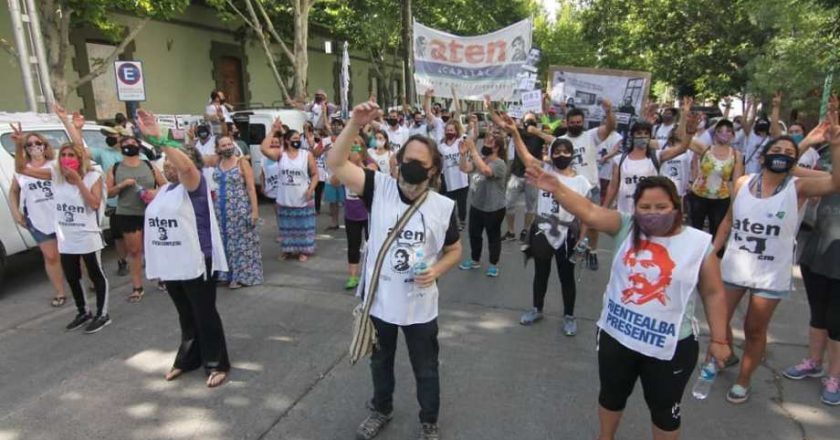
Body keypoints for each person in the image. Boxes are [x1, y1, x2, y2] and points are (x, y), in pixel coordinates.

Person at [527, 164, 731, 440]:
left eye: (661, 206)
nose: (653, 213)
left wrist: (719, 340)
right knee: (611, 397)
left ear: (676, 205)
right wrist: (557, 188)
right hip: (617, 338)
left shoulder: (699, 244)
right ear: (635, 208)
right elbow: (589, 212)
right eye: (645, 207)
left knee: (664, 412)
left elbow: (713, 293)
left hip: (669, 348)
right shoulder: (626, 226)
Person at [328, 101, 462, 440]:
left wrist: (437, 271)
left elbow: (455, 250)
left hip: (420, 306)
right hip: (381, 302)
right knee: (380, 363)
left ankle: (428, 421)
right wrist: (355, 125)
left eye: (420, 163)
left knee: (426, 369)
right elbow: (335, 163)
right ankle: (381, 409)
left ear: (433, 171)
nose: (410, 167)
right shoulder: (379, 188)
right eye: (406, 160)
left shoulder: (443, 208)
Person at [714, 116, 840, 404]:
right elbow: (727, 221)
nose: (781, 157)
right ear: (764, 155)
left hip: (769, 274)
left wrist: (835, 145)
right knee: (719, 321)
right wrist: (711, 252)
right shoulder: (743, 182)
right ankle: (722, 354)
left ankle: (743, 381)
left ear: (794, 162)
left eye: (788, 155)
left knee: (753, 329)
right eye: (776, 152)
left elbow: (835, 183)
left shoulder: (799, 188)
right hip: (733, 267)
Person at [135, 109, 231, 388]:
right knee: (186, 314)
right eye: (165, 163)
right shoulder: (166, 190)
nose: (168, 167)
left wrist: (161, 138)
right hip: (173, 265)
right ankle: (189, 358)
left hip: (197, 262)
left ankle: (216, 363)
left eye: (172, 162)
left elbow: (187, 168)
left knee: (204, 313)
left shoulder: (195, 183)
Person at [16, 105, 111, 334]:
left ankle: (102, 313)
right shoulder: (55, 175)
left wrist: (77, 180)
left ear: (79, 159)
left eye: (71, 155)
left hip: (87, 234)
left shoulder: (92, 176)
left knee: (95, 274)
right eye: (64, 155)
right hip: (65, 235)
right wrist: (20, 145)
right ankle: (83, 310)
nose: (67, 158)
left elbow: (95, 203)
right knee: (72, 275)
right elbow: (21, 169)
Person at [502, 114, 592, 336]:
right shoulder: (544, 172)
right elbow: (524, 156)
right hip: (542, 230)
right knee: (540, 273)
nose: (562, 155)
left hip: (567, 233)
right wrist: (515, 133)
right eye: (557, 151)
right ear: (551, 154)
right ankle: (536, 309)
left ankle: (569, 316)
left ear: (572, 155)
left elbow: (587, 214)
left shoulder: (581, 182)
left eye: (566, 151)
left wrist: (583, 238)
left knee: (566, 276)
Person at [603, 99, 699, 215]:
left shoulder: (657, 156)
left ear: (650, 136)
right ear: (632, 136)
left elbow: (682, 148)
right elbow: (613, 186)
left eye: (646, 134)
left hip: (650, 214)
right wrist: (604, 209)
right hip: (626, 213)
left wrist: (689, 133)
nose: (642, 137)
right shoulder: (619, 160)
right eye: (639, 134)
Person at [8, 124, 66, 307]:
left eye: (37, 143)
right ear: (25, 149)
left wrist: (18, 146)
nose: (34, 147)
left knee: (73, 255)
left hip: (63, 217)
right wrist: (16, 212)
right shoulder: (22, 171)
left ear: (45, 145)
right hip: (38, 219)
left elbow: (50, 177)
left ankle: (82, 284)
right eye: (29, 144)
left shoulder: (55, 166)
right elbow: (14, 192)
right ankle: (60, 292)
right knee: (50, 256)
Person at [106, 133, 166, 302]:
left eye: (133, 143)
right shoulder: (115, 168)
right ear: (120, 147)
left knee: (154, 248)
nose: (129, 145)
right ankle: (137, 286)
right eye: (126, 143)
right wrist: (121, 185)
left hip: (151, 213)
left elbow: (165, 186)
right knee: (134, 251)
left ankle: (161, 278)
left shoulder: (149, 165)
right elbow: (107, 192)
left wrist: (154, 192)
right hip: (127, 213)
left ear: (138, 147)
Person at [560, 99, 617, 270]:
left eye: (579, 122)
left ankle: (592, 251)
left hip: (591, 188)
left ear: (583, 122)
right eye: (572, 123)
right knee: (571, 223)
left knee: (592, 224)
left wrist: (608, 112)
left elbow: (609, 128)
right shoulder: (562, 140)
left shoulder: (591, 136)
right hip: (571, 190)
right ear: (567, 123)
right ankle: (576, 248)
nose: (576, 125)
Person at [486, 97, 546, 243]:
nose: (530, 124)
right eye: (528, 121)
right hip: (517, 174)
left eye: (533, 121)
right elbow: (500, 122)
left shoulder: (540, 136)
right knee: (508, 204)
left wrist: (544, 103)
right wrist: (489, 108)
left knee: (531, 207)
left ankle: (526, 230)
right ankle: (511, 231)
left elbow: (552, 129)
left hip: (533, 176)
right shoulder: (518, 132)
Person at [261, 119, 319, 261]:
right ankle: (288, 250)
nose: (297, 141)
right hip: (285, 197)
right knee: (286, 225)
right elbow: (263, 149)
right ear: (286, 141)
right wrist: (273, 131)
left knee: (303, 226)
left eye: (298, 139)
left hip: (302, 196)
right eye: (294, 139)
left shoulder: (307, 155)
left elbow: (315, 174)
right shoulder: (281, 154)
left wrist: (311, 188)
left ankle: (303, 251)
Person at [213, 135, 264, 288]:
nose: (228, 147)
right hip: (221, 210)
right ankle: (226, 274)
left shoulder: (242, 163)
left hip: (239, 209)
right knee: (224, 242)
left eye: (229, 144)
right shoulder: (217, 162)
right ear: (218, 149)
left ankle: (242, 276)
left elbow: (250, 188)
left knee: (241, 243)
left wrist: (254, 211)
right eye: (224, 145)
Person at [457, 130, 507, 277]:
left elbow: (486, 171)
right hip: (476, 205)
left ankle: (493, 264)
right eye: (485, 141)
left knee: (493, 237)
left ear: (496, 147)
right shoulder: (482, 158)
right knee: (474, 235)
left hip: (493, 208)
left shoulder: (499, 163)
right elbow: (464, 168)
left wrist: (472, 149)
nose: (485, 144)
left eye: (489, 142)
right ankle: (475, 260)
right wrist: (462, 154)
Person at [688, 119, 744, 239]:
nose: (724, 133)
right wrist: (686, 121)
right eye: (720, 131)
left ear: (733, 135)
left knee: (717, 230)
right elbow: (683, 140)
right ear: (715, 134)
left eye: (728, 131)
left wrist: (733, 206)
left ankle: (713, 256)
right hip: (699, 195)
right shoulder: (706, 149)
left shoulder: (736, 154)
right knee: (696, 229)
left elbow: (737, 182)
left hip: (721, 198)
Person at [90, 125, 131, 275]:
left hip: (135, 202)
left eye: (113, 135)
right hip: (115, 203)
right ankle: (122, 261)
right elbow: (81, 149)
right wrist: (75, 128)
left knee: (140, 233)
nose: (109, 138)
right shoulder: (103, 153)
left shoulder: (135, 153)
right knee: (119, 235)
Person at [343, 141, 378, 289]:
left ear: (362, 148)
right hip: (351, 212)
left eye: (356, 145)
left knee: (372, 244)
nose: (354, 149)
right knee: (353, 245)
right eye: (351, 146)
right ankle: (353, 277)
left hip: (368, 212)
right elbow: (334, 181)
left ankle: (372, 276)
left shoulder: (370, 163)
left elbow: (372, 176)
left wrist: (359, 164)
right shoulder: (344, 165)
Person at [438, 120, 469, 228]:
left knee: (461, 204)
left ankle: (462, 221)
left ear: (456, 131)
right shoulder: (441, 146)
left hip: (461, 179)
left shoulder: (460, 141)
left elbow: (474, 135)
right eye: (447, 130)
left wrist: (473, 124)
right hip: (449, 179)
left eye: (451, 130)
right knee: (449, 203)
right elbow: (441, 162)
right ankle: (451, 222)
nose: (449, 132)